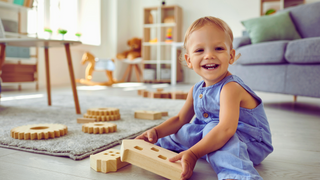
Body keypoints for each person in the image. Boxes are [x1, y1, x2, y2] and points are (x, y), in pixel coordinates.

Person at [135, 16, 273, 180]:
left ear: (231, 55)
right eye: (200, 50)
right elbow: (180, 119)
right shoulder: (196, 89)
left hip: (250, 143)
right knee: (186, 131)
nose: (209, 55)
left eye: (218, 49)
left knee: (211, 129)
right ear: (189, 60)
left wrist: (194, 153)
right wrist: (156, 132)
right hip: (213, 131)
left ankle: (237, 175)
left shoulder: (230, 88)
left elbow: (225, 129)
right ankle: (159, 144)